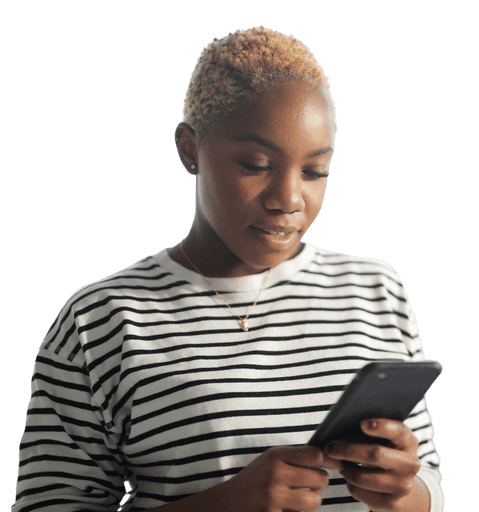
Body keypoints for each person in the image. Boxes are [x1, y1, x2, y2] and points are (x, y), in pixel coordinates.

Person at [11, 26, 444, 512]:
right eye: (256, 163)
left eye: (315, 171)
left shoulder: (375, 288)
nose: (288, 200)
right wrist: (222, 505)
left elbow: (428, 480)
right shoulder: (100, 321)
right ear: (189, 149)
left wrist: (404, 492)